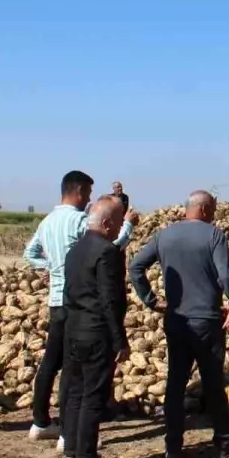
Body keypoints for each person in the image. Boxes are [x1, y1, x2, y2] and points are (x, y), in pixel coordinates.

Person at [128, 189, 229, 458]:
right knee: (214, 382)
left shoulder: (165, 236)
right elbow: (226, 273)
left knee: (176, 383)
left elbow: (135, 266)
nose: (214, 213)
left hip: (176, 320)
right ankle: (224, 445)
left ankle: (173, 447)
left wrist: (152, 301)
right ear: (203, 209)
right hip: (207, 321)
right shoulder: (214, 235)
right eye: (213, 208)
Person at [22, 171, 137, 443]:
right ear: (78, 191)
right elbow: (106, 247)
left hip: (56, 300)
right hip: (79, 301)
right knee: (75, 372)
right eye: (87, 194)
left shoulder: (47, 221)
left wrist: (52, 267)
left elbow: (30, 254)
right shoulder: (80, 221)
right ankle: (68, 433)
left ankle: (40, 421)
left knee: (51, 362)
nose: (88, 200)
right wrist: (128, 226)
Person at [60, 196, 131, 458]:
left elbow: (68, 294)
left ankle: (72, 454)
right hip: (96, 333)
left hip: (74, 329)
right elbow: (110, 300)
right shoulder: (107, 252)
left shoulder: (74, 250)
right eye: (117, 223)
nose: (118, 229)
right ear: (106, 223)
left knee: (76, 393)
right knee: (93, 396)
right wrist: (119, 340)